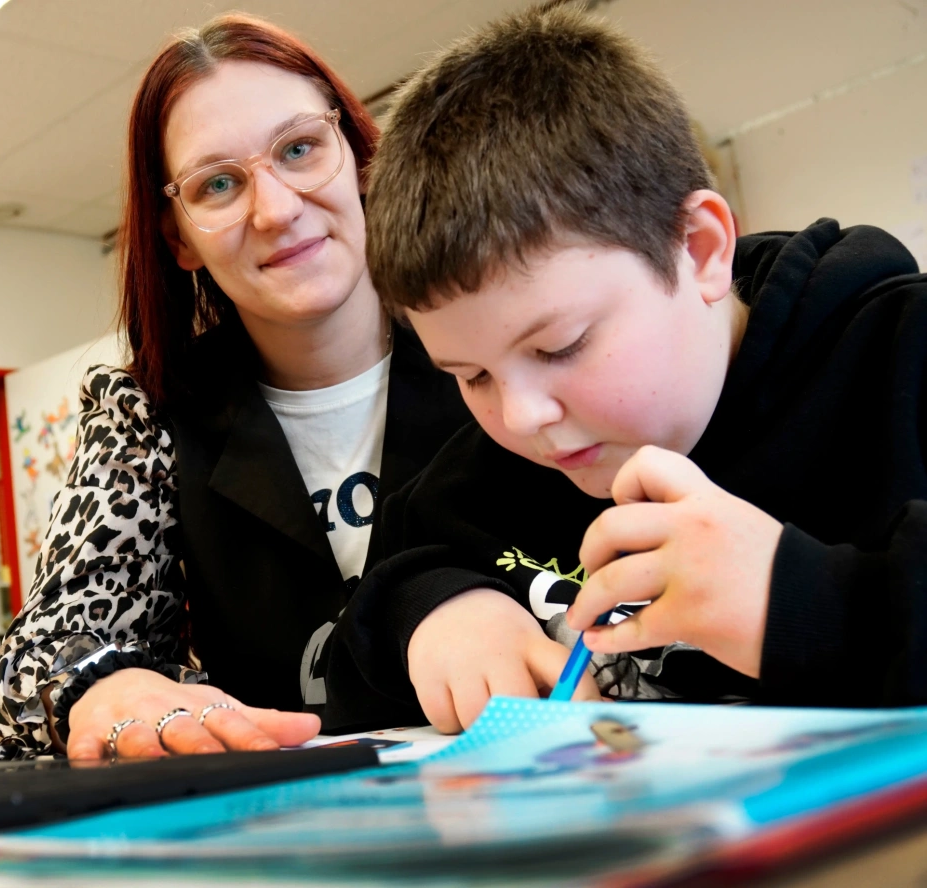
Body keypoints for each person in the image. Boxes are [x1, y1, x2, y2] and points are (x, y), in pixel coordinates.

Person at [319, 5, 927, 734]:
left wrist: (798, 601)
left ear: (700, 249)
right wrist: (432, 612)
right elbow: (378, 610)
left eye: (560, 346)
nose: (520, 417)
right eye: (470, 375)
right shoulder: (489, 467)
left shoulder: (900, 351)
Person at [0, 13, 470, 760]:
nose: (275, 210)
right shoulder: (147, 415)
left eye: (300, 148)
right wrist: (101, 687)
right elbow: (23, 673)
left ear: (360, 157)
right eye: (218, 184)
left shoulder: (496, 343)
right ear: (178, 237)